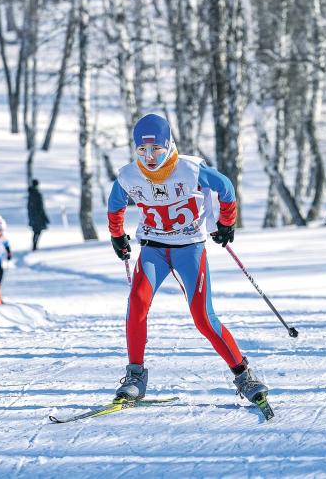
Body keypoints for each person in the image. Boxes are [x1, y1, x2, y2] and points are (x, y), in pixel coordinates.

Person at [107, 113, 268, 406]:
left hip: (189, 249)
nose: (150, 156)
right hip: (153, 248)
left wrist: (226, 222)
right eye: (142, 150)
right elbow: (115, 204)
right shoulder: (129, 174)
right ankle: (134, 377)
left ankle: (244, 375)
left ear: (168, 144)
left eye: (156, 148)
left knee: (203, 317)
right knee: (137, 305)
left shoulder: (190, 169)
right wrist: (117, 236)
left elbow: (226, 188)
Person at [27, 179, 50, 251]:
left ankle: (34, 245)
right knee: (37, 232)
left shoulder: (30, 194)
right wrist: (45, 218)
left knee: (35, 232)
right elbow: (41, 208)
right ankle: (34, 245)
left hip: (32, 217)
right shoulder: (37, 195)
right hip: (38, 217)